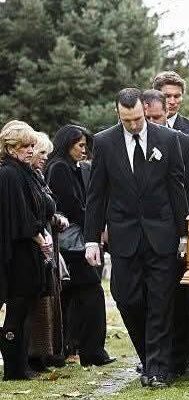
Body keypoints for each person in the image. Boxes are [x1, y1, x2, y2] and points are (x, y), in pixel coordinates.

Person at [84, 88, 189, 388]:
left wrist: (184, 234)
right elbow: (96, 194)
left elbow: (176, 188)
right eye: (126, 120)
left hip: (161, 235)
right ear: (118, 114)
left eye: (137, 119)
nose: (133, 125)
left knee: (160, 302)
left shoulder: (168, 139)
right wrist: (92, 239)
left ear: (144, 109)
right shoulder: (104, 142)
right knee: (126, 298)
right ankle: (149, 357)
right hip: (124, 236)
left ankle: (157, 368)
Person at [142, 88, 189, 376]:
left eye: (156, 118)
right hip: (138, 232)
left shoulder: (186, 142)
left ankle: (177, 358)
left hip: (173, 231)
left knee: (177, 298)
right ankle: (155, 357)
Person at [46, 125, 114, 368]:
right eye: (80, 145)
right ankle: (92, 351)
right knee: (92, 293)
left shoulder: (70, 167)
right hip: (73, 244)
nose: (84, 150)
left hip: (72, 242)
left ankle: (69, 349)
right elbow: (73, 205)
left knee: (72, 298)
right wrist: (95, 227)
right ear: (68, 145)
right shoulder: (60, 168)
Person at [0, 121, 55, 380]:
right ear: (11, 149)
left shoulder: (25, 172)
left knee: (25, 311)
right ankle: (14, 369)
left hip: (28, 250)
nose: (31, 150)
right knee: (17, 310)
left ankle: (21, 365)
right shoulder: (9, 174)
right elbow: (19, 216)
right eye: (25, 146)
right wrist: (39, 237)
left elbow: (41, 207)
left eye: (32, 145)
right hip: (17, 252)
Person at [28, 131, 68, 372]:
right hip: (36, 244)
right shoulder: (26, 178)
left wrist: (55, 218)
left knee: (50, 299)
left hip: (47, 240)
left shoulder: (38, 176)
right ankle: (36, 354)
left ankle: (48, 351)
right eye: (41, 152)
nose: (45, 157)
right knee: (39, 303)